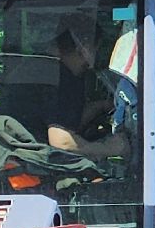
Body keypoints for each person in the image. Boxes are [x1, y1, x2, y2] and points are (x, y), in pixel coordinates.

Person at [45, 17, 132, 163]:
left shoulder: (58, 72)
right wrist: (111, 148)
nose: (95, 58)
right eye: (96, 49)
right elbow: (61, 141)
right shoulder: (60, 78)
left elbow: (68, 121)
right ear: (83, 48)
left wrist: (101, 106)